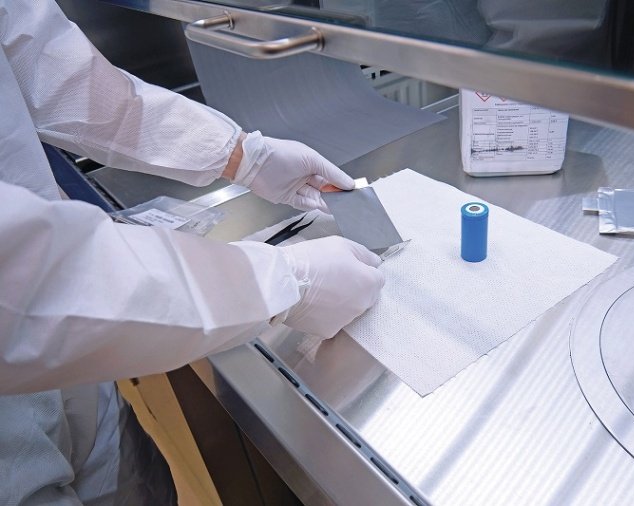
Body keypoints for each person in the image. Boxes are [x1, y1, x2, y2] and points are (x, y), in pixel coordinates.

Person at [0, 1, 384, 503]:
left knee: (131, 484)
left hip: (77, 365)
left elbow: (60, 79)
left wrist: (242, 155)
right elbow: (25, 282)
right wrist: (282, 281)